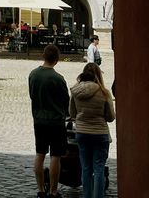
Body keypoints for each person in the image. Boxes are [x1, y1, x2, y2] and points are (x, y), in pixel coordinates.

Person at [29, 44, 69, 198]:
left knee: (40, 154)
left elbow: (32, 95)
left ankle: (40, 189)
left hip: (39, 120)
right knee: (55, 156)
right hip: (56, 121)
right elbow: (65, 101)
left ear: (43, 56)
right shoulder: (58, 78)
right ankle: (53, 191)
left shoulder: (33, 74)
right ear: (56, 59)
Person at [69, 63, 115, 198]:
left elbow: (72, 113)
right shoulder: (104, 93)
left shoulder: (75, 92)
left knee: (86, 168)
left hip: (82, 133)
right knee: (99, 168)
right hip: (100, 133)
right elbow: (111, 117)